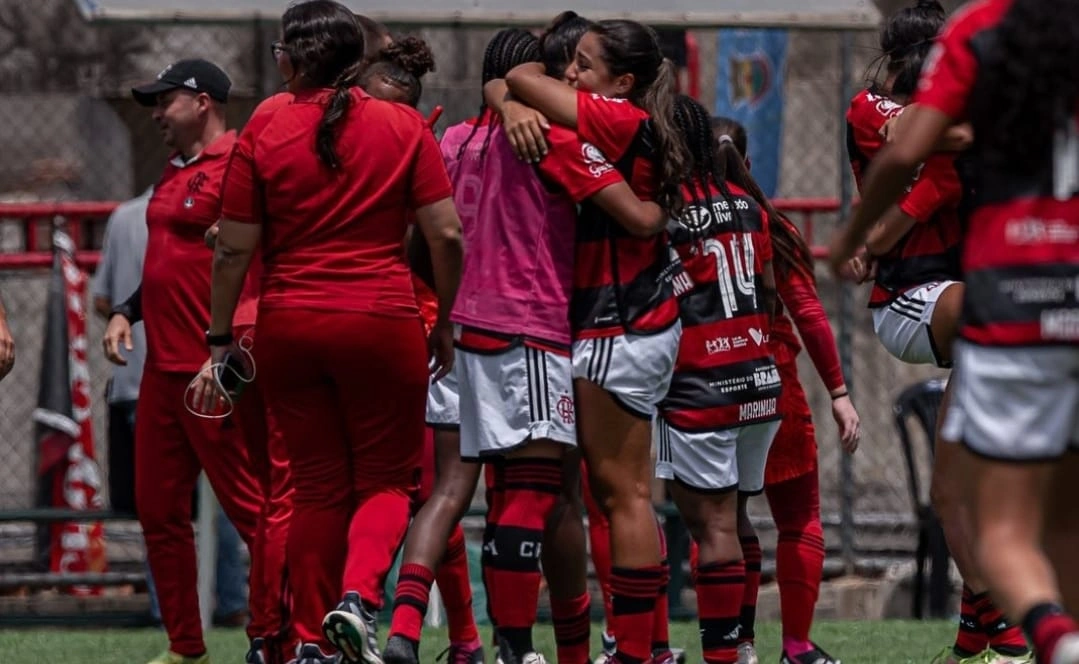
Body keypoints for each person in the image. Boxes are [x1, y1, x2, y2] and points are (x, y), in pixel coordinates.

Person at [385, 24, 669, 664]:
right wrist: (658, 215)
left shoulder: (452, 141)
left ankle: (406, 628)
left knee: (453, 493)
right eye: (557, 68)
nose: (567, 77)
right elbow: (632, 213)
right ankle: (519, 646)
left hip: (456, 334)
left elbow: (423, 242)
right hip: (528, 325)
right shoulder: (545, 136)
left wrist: (447, 309)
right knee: (538, 494)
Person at [199, 2, 463, 663]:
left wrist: (219, 335)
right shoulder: (402, 125)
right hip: (381, 318)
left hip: (289, 322)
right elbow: (446, 232)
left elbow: (232, 248)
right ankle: (358, 598)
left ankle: (312, 640)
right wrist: (447, 320)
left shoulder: (264, 122)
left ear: (291, 59)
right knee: (386, 482)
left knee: (314, 486)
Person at [828, 0, 1079, 662]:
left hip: (1018, 308)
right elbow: (919, 155)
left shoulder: (985, 95)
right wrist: (865, 242)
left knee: (999, 498)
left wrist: (862, 237)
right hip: (919, 300)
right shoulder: (869, 105)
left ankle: (983, 631)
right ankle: (1017, 632)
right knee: (974, 496)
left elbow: (939, 154)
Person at [488, 21, 689, 664]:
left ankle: (635, 652)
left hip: (620, 324)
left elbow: (517, 77)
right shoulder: (624, 122)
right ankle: (639, 647)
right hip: (627, 323)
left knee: (621, 494)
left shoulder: (620, 120)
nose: (569, 74)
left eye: (582, 64)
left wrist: (514, 96)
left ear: (621, 82)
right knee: (617, 493)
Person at [102, 58, 290, 664]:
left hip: (215, 372)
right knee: (158, 511)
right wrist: (125, 310)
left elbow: (259, 260)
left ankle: (275, 637)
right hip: (162, 373)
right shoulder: (176, 169)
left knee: (253, 511)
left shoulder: (241, 162)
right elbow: (168, 264)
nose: (156, 113)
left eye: (165, 100)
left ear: (203, 100)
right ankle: (187, 646)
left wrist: (230, 351)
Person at [705, 117, 858, 664]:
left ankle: (736, 644)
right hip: (774, 384)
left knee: (724, 519)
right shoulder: (772, 223)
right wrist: (839, 391)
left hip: (708, 384)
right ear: (748, 161)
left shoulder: (680, 221)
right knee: (800, 517)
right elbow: (810, 315)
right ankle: (795, 645)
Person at [356, 34, 486, 664]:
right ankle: (453, 636)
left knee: (428, 492)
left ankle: (440, 632)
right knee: (425, 493)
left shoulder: (423, 147)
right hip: (376, 330)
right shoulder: (371, 138)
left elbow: (440, 241)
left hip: (418, 336)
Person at [658, 95, 781, 664]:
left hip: (702, 381)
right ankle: (745, 646)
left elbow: (666, 296)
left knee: (709, 527)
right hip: (759, 376)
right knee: (734, 517)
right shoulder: (750, 206)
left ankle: (722, 657)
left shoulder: (667, 209)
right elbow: (770, 292)